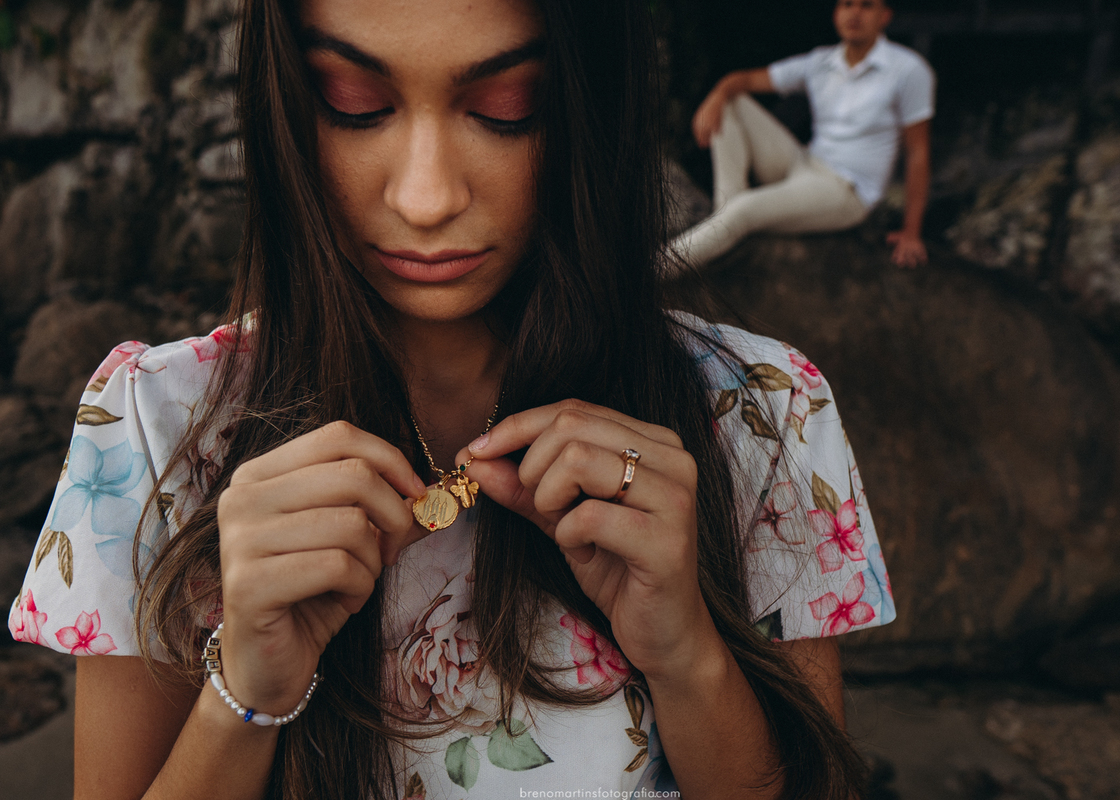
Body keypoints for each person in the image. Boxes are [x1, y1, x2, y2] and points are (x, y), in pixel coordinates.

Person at [7, 0, 895, 797]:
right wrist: (245, 692)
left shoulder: (761, 414)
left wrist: (688, 654)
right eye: (355, 104)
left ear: (592, 104)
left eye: (508, 108)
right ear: (285, 104)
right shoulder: (157, 424)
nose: (426, 198)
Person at [671, 0, 935, 270]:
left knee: (744, 209)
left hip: (846, 189)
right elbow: (746, 80)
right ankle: (724, 217)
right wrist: (716, 96)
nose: (855, 13)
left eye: (866, 5)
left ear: (885, 16)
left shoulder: (909, 69)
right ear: (836, 13)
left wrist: (912, 232)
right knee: (731, 102)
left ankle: (654, 272)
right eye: (847, 4)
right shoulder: (821, 61)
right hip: (804, 162)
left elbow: (917, 152)